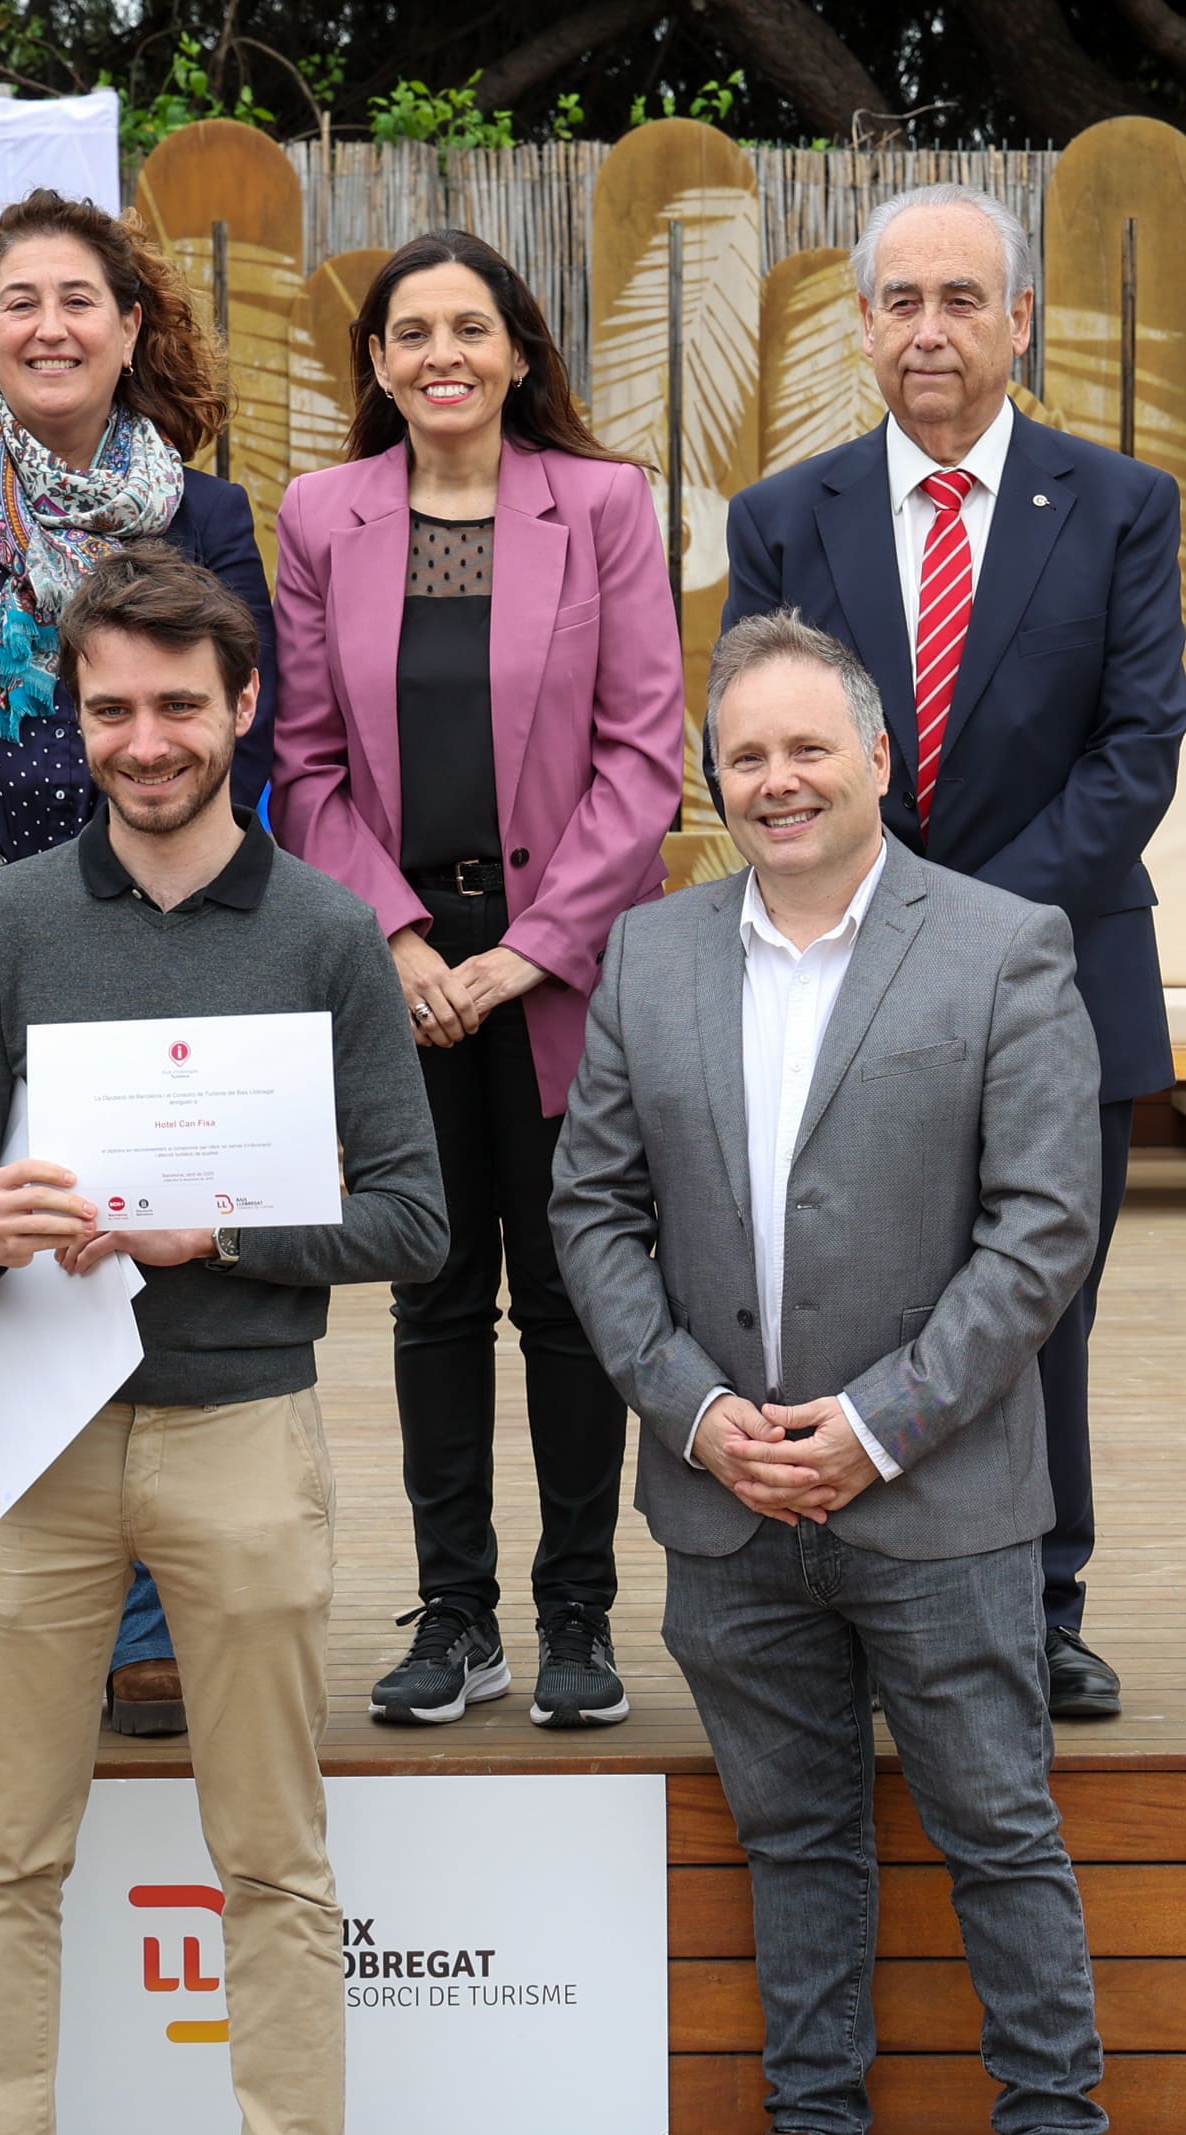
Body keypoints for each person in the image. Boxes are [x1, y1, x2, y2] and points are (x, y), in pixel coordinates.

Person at [0, 545, 441, 2135]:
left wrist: (227, 1237)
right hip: (34, 1439)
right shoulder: (2, 926)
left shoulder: (326, 936)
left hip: (238, 1433)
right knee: (3, 1854)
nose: (146, 741)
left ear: (243, 710)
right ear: (78, 717)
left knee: (274, 1854)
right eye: (113, 708)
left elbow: (412, 1218)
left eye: (179, 707)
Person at [551, 610, 1115, 2135]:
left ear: (879, 757)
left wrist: (876, 1426)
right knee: (793, 1836)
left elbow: (1044, 1229)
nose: (778, 780)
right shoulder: (650, 958)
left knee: (997, 1831)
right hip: (726, 1499)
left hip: (934, 1498)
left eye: (809, 747)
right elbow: (593, 1212)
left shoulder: (1004, 947)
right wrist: (695, 1412)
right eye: (747, 756)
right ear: (712, 784)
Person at [719, 183, 1186, 1723]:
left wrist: (964, 935)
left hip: (1061, 979)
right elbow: (768, 744)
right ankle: (861, 1599)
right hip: (832, 984)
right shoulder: (786, 520)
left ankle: (1044, 1607)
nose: (932, 330)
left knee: (1039, 1308)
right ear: (864, 325)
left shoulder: (1117, 506)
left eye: (964, 299)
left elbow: (1136, 752)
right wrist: (886, 927)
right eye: (903, 301)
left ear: (1021, 322)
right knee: (862, 1299)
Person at [0, 186, 279, 1742]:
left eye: (80, 298)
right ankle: (9, 1624)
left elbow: (248, 718)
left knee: (150, 1258)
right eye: (17, 301)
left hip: (164, 943)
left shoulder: (206, 514)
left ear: (131, 325)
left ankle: (147, 1625)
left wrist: (130, 891)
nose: (50, 326)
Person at [274, 230, 684, 1730]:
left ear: (517, 352)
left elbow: (644, 758)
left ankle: (578, 1615)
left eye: (469, 327)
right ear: (379, 365)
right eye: (411, 332)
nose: (441, 354)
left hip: (564, 969)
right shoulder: (322, 517)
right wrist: (395, 941)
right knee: (433, 1296)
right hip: (401, 970)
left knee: (572, 1299)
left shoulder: (605, 504)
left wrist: (523, 953)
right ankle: (457, 1617)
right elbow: (305, 765)